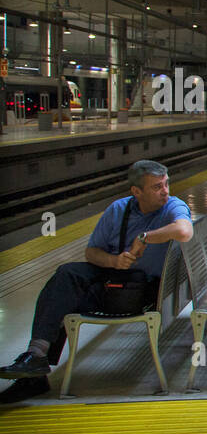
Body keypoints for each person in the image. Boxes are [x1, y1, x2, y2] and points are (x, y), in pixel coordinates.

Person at [0, 160, 193, 403]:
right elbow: (92, 253)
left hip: (142, 294)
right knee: (66, 275)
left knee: (63, 298)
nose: (165, 190)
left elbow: (185, 231)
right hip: (114, 284)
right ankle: (35, 356)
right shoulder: (117, 210)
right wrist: (114, 261)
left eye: (166, 184)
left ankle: (33, 373)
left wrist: (144, 237)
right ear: (136, 192)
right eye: (157, 187)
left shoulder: (173, 206)